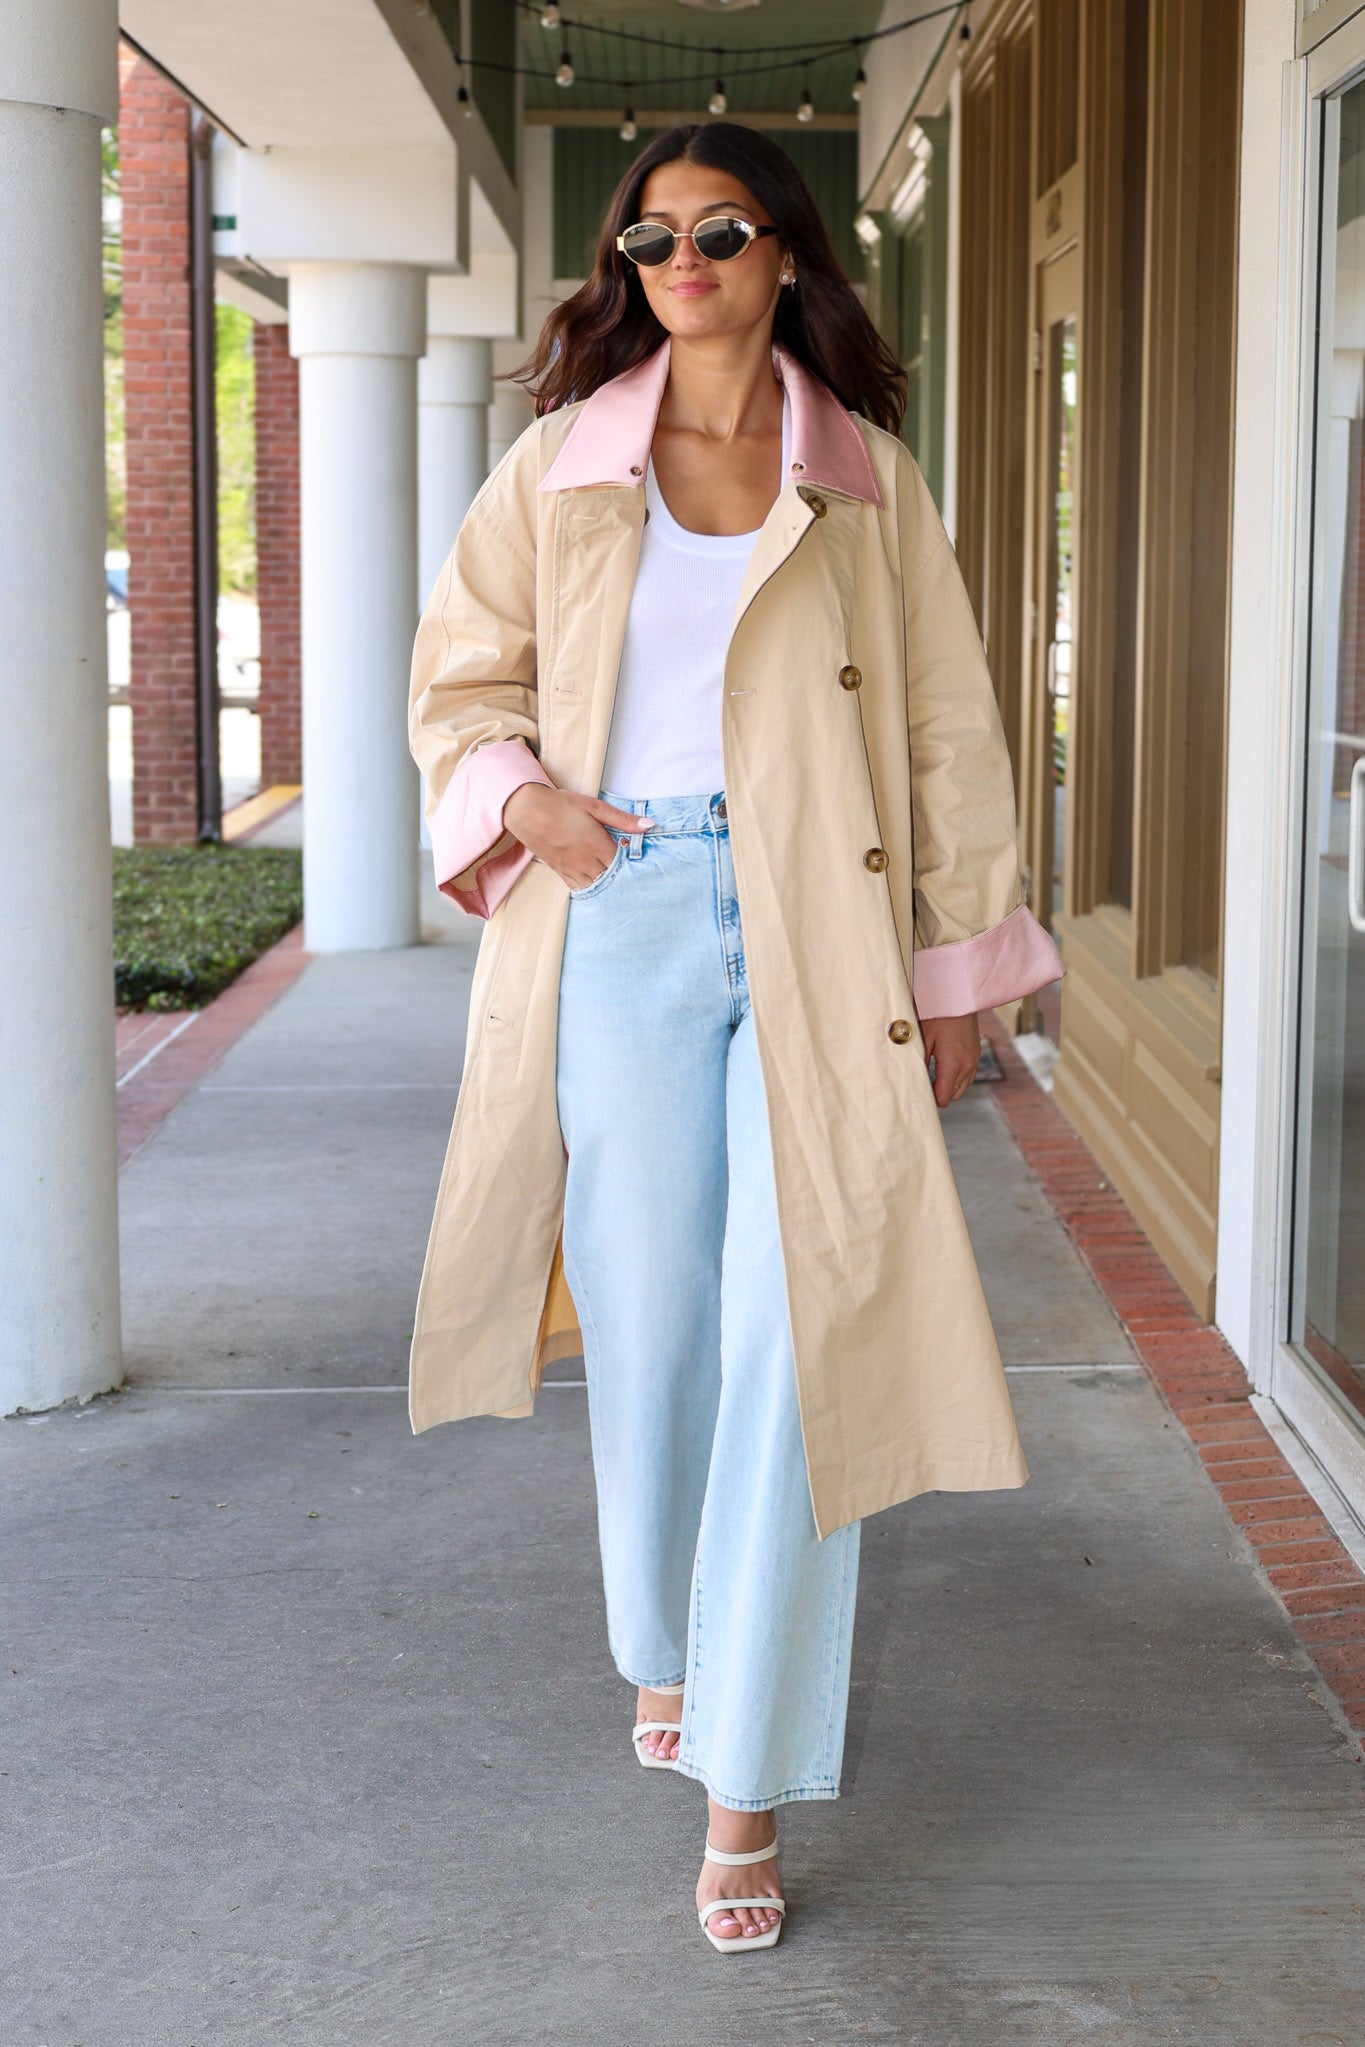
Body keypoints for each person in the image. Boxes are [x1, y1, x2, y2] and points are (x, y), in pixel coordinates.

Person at [407, 122, 1064, 1953]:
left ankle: (744, 1782)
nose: (677, 262)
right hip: (615, 914)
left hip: (818, 925)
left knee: (805, 1338)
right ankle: (663, 1645)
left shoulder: (866, 482)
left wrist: (957, 976)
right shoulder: (557, 467)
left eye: (716, 231)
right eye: (646, 240)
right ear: (620, 267)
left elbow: (943, 725)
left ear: (786, 256)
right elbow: (457, 678)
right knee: (651, 1313)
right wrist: (524, 799)